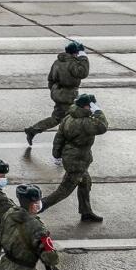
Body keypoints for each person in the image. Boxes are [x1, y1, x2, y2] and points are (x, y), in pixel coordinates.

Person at [39, 94, 107, 222]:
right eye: (91, 105)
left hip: (71, 156)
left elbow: (59, 137)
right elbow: (102, 127)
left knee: (85, 183)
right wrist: (98, 111)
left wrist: (57, 153)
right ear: (87, 106)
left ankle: (86, 212)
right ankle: (38, 206)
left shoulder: (68, 117)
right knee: (64, 190)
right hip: (78, 160)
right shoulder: (85, 122)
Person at [26, 42, 89, 146]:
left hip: (58, 92)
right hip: (67, 95)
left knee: (60, 118)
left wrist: (55, 91)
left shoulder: (57, 62)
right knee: (70, 118)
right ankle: (65, 143)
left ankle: (34, 130)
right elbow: (83, 73)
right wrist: (84, 57)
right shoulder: (72, 63)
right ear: (75, 53)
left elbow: (50, 79)